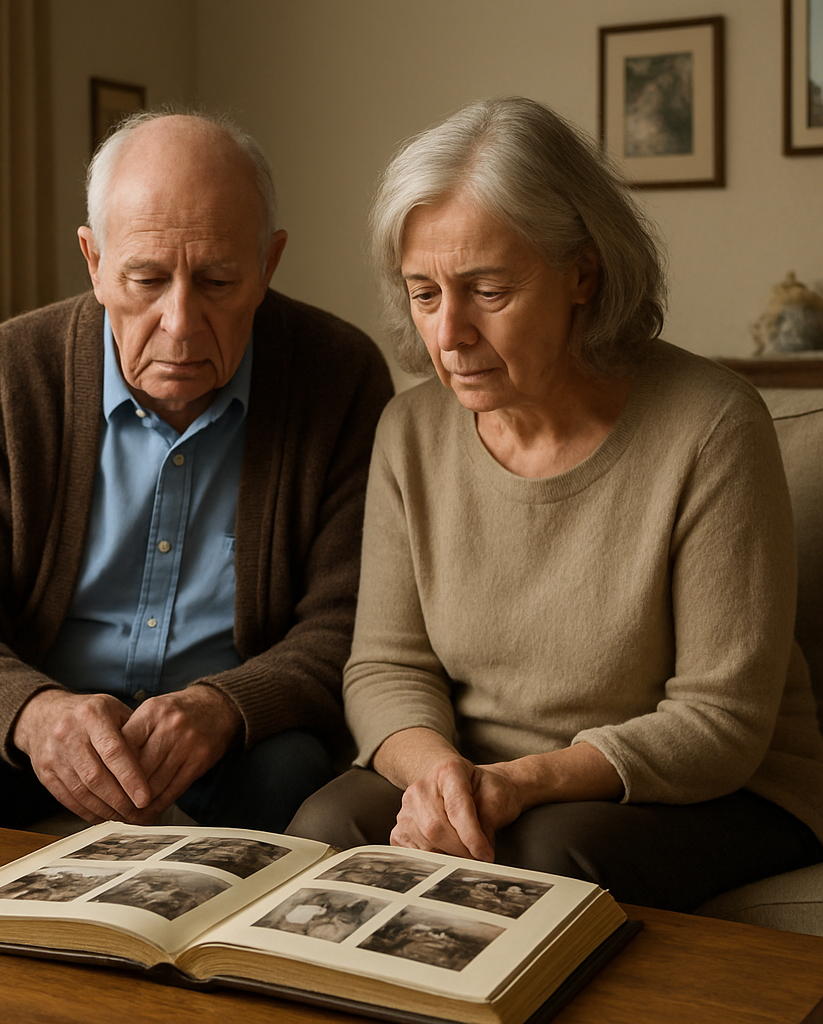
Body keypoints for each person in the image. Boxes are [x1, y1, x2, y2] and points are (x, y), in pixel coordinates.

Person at [287, 97, 823, 911]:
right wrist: (441, 777)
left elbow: (720, 721)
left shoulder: (713, 424)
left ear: (584, 271)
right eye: (424, 293)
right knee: (325, 824)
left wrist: (521, 784)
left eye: (487, 290)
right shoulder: (410, 430)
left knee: (542, 855)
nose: (449, 334)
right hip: (476, 766)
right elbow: (385, 665)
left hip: (717, 789)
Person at [0, 110, 393, 834]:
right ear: (95, 262)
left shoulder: (338, 376)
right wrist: (34, 714)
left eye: (219, 280)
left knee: (292, 765)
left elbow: (347, 623)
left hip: (224, 741)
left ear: (268, 265)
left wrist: (228, 706)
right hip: (34, 734)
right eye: (147, 279)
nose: (181, 321)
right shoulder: (8, 373)